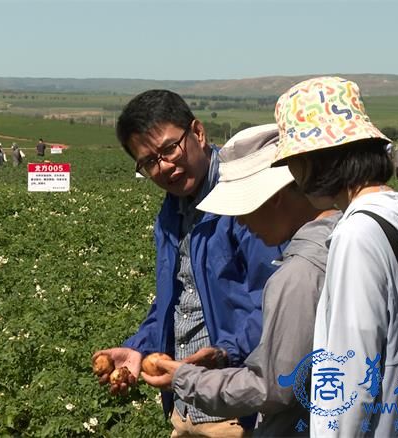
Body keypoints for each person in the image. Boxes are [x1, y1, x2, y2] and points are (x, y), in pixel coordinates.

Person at [272, 76, 398, 436]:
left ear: (319, 159)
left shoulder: (357, 234)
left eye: (294, 160)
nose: (293, 175)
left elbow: (349, 376)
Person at [94, 90, 283, 437]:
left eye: (169, 149)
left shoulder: (245, 201)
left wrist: (226, 352)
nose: (163, 166)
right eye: (149, 162)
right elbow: (176, 301)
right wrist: (138, 348)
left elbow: (278, 303)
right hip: (185, 409)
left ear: (198, 133)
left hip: (237, 410)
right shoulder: (171, 211)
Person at [143, 124, 341, 437]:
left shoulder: (298, 274)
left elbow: (272, 388)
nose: (241, 221)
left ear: (273, 198)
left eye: (242, 209)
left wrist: (186, 379)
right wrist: (225, 354)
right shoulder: (348, 240)